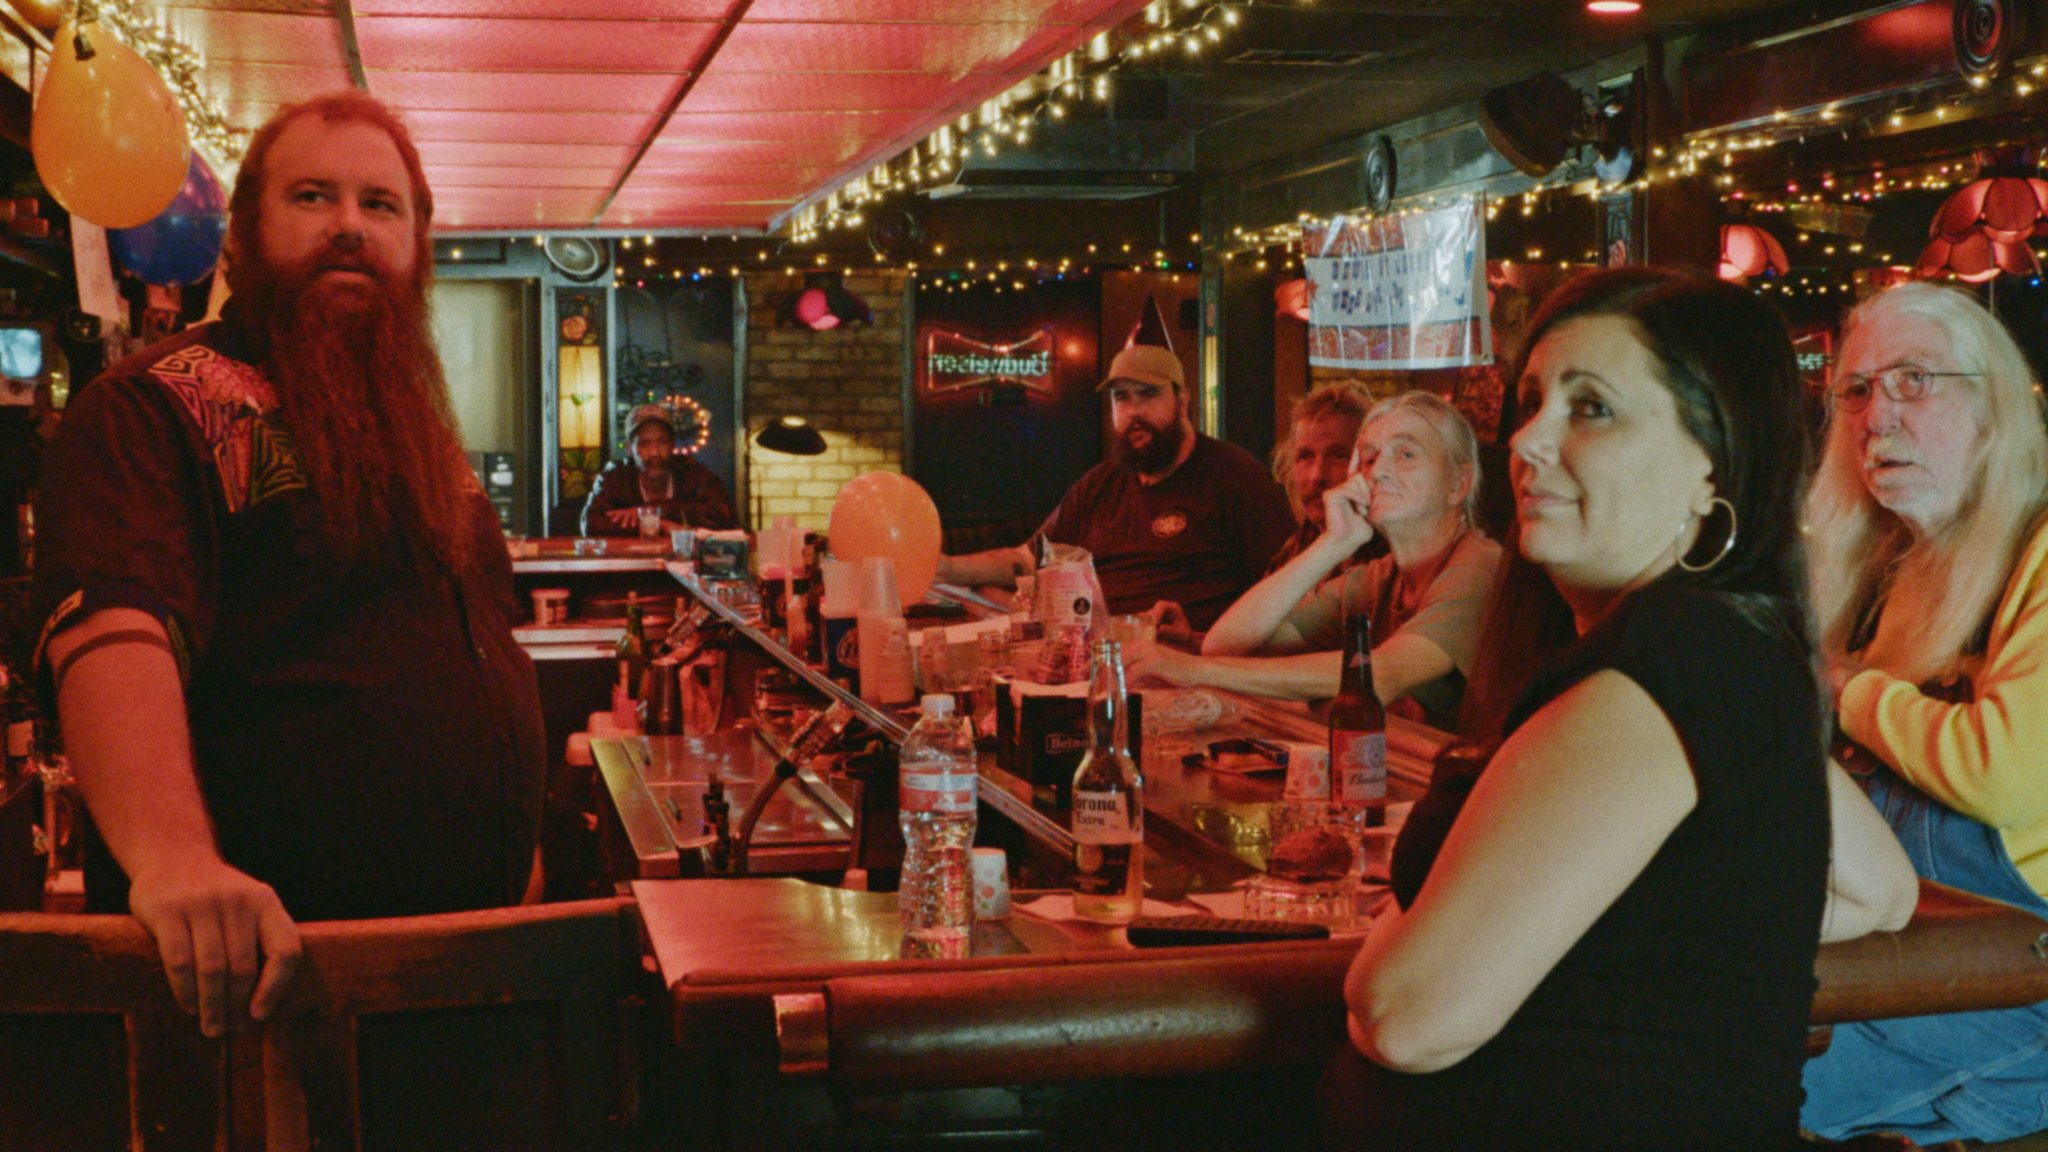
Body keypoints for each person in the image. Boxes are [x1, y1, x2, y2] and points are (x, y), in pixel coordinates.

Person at [1328, 268, 1915, 1151]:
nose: (1527, 439)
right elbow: (1879, 888)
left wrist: (1397, 939)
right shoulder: (1726, 650)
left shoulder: (1660, 672)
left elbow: (1406, 1018)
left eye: (1591, 408)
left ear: (1713, 464)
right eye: (1533, 403)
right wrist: (1591, 918)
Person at [30, 92, 547, 1040]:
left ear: (418, 247)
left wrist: (519, 842)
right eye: (313, 197)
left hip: (461, 978)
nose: (350, 225)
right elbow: (112, 630)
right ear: (241, 236)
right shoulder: (154, 408)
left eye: (380, 205)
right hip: (266, 993)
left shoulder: (418, 438)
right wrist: (175, 859)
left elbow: (476, 651)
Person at [1799, 282, 2048, 1146]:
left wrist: (1846, 689)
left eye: (1914, 380)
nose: (1877, 417)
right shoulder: (1875, 566)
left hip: (2014, 980)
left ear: (1994, 405)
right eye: (1857, 390)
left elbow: (2004, 772)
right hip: (1882, 950)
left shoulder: (2039, 552)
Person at [1131, 391, 1499, 732]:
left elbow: (1382, 674)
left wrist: (1194, 670)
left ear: (1458, 483)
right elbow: (1225, 644)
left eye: (1406, 454)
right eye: (1369, 458)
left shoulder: (1482, 566)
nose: (1379, 471)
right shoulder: (1377, 578)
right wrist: (1334, 543)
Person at [935, 343, 1293, 632]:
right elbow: (1029, 560)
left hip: (1188, 663)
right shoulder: (1100, 484)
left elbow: (1286, 589)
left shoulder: (1234, 476)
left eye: (1148, 394)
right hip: (1096, 654)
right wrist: (946, 569)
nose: (1134, 411)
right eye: (1122, 397)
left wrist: (1207, 646)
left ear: (1182, 400)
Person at [581, 402, 736, 536]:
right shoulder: (614, 476)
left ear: (673, 445)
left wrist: (654, 510)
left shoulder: (692, 472)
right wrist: (658, 525)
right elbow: (590, 524)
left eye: (662, 441)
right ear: (629, 449)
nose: (654, 452)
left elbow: (723, 515)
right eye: (644, 443)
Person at [1266, 383, 1372, 572]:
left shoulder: (1390, 559)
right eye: (1305, 456)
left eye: (1338, 456)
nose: (1317, 476)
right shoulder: (1296, 549)